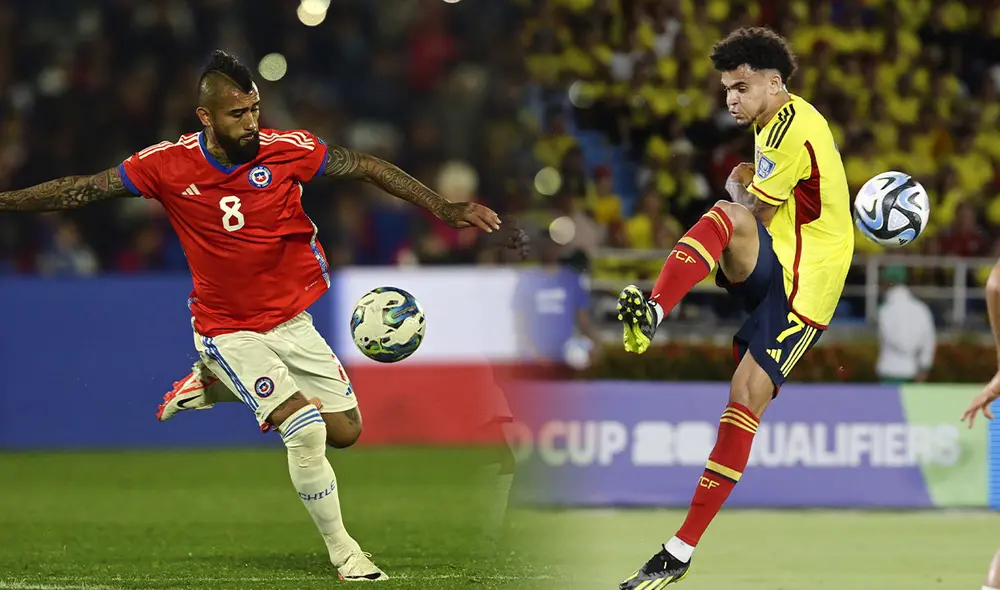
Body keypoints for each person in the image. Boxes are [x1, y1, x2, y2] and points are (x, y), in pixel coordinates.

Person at [0, 50, 504, 582]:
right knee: (304, 429)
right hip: (226, 327)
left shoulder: (288, 150)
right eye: (238, 114)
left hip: (290, 321)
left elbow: (367, 166)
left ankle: (214, 384)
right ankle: (345, 552)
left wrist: (443, 208)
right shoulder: (165, 165)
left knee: (347, 431)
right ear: (206, 117)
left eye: (255, 109)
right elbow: (79, 189)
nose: (252, 122)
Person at [615, 28, 854, 588]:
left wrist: (740, 184)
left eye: (741, 87)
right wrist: (744, 188)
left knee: (745, 397)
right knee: (728, 216)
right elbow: (761, 209)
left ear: (775, 83)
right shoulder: (773, 126)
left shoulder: (792, 127)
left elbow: (760, 214)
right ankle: (652, 311)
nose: (731, 99)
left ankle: (678, 551)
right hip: (781, 264)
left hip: (807, 290)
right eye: (727, 88)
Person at [875, 266, 936, 383]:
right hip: (913, 370)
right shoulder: (921, 308)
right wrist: (924, 366)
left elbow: (895, 338)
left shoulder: (886, 310)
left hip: (889, 371)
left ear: (888, 283)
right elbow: (928, 340)